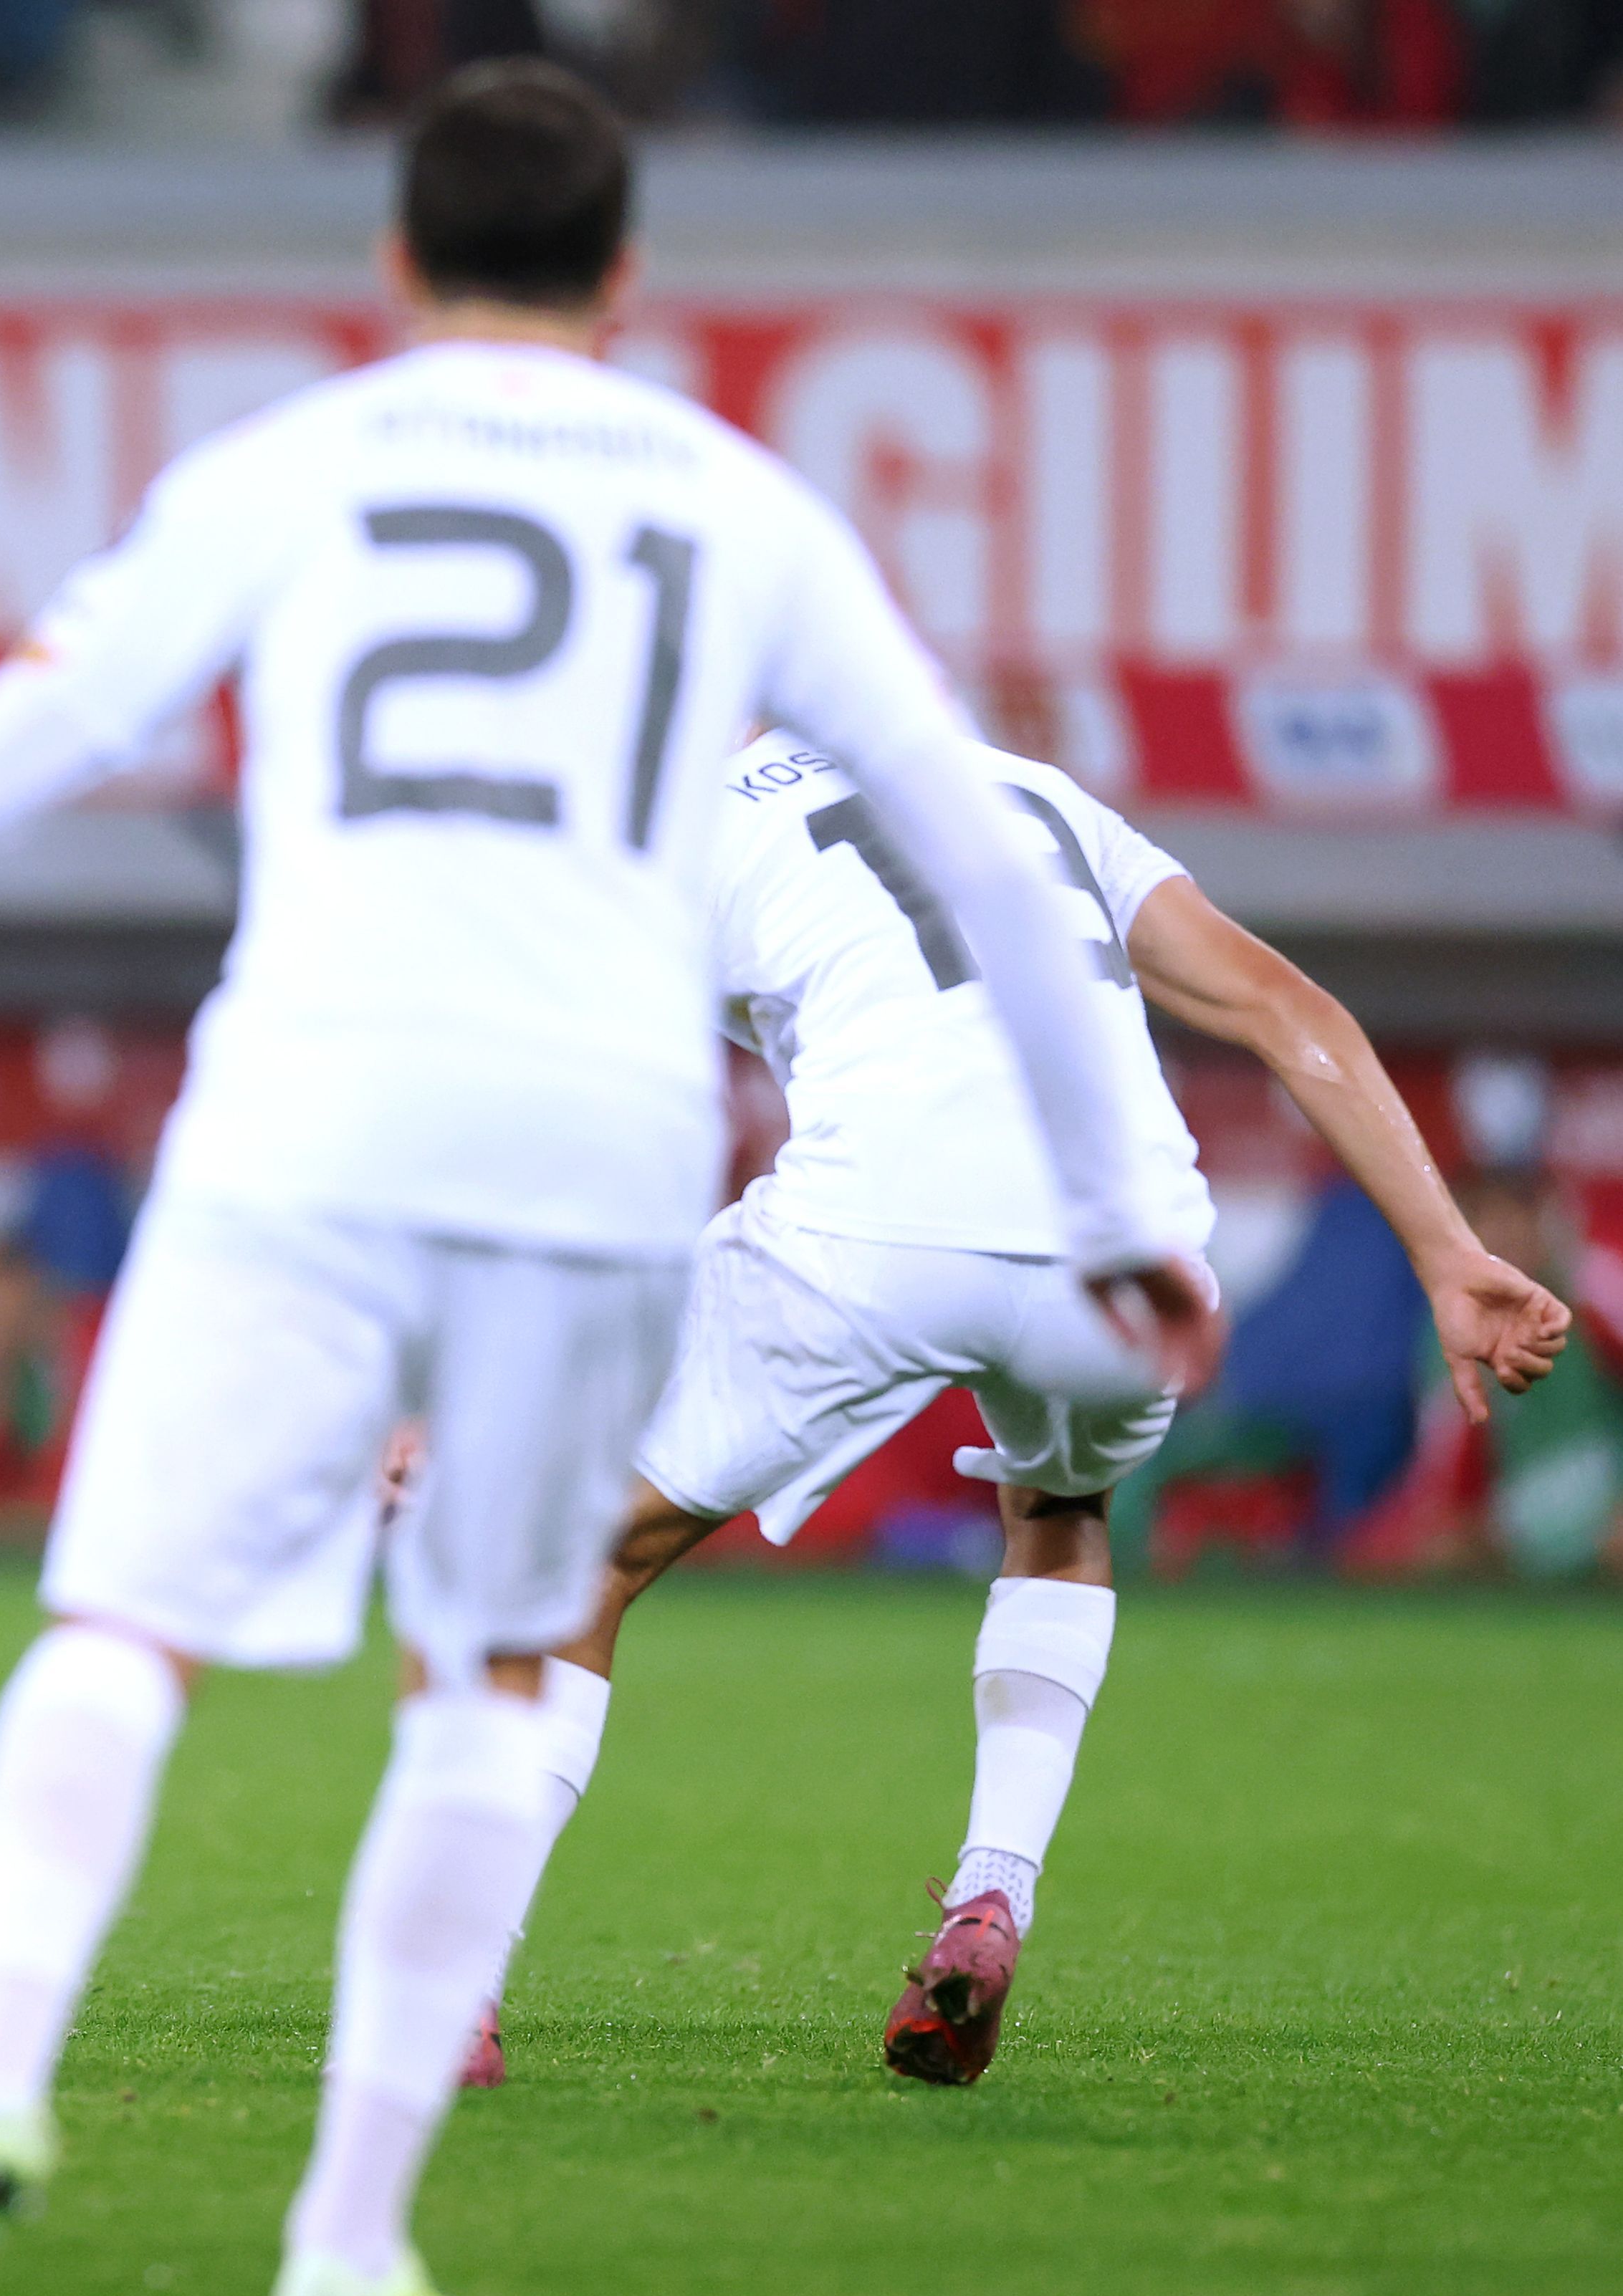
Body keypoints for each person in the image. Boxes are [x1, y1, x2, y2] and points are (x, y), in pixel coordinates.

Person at [0, 60, 1216, 2296]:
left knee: (120, 1624)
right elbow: (977, 855)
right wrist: (1117, 1200)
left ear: (392, 262)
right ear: (623, 278)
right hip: (596, 1137)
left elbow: (35, 730)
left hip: (312, 1097)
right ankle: (346, 2239)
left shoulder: (290, 465)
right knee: (493, 1665)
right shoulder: (740, 507)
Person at [452, 732, 1572, 2093]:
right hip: (1132, 1258)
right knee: (1061, 1510)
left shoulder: (669, 823)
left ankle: (453, 1985)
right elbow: (1284, 1006)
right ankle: (993, 1892)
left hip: (884, 1222)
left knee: (577, 1566)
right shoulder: (1033, 790)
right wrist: (1449, 1255)